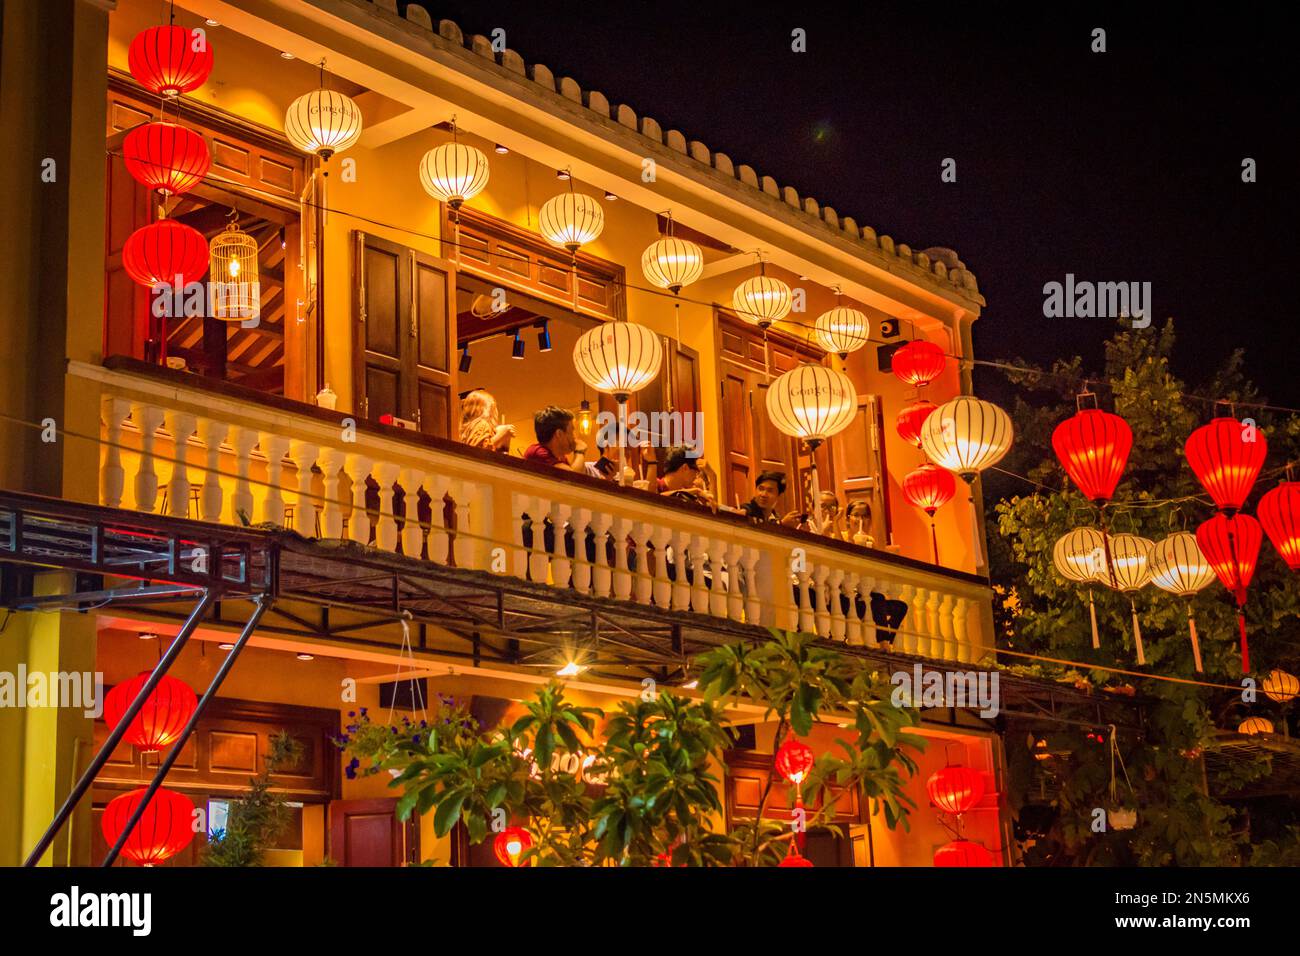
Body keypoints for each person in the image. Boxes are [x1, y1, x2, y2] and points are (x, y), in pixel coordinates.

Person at [523, 405, 586, 472]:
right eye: (571, 431)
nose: (574, 437)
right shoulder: (537, 452)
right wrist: (580, 452)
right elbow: (573, 478)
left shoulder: (561, 458)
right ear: (559, 434)